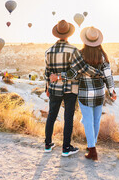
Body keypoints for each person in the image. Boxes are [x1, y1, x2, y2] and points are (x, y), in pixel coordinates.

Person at [50, 26, 117, 161]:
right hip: (99, 93)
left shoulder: (80, 54)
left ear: (85, 40)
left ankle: (92, 151)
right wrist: (111, 91)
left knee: (87, 120)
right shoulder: (103, 55)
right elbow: (108, 75)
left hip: (85, 93)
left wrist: (58, 77)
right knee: (96, 120)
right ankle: (91, 145)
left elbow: (73, 73)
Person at [44, 20, 101, 157]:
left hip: (54, 89)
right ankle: (66, 147)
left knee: (51, 115)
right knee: (68, 117)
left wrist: (47, 87)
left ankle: (47, 144)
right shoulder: (73, 50)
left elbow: (47, 72)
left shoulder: (48, 51)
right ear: (68, 34)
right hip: (71, 89)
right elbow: (81, 69)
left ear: (57, 34)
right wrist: (97, 73)